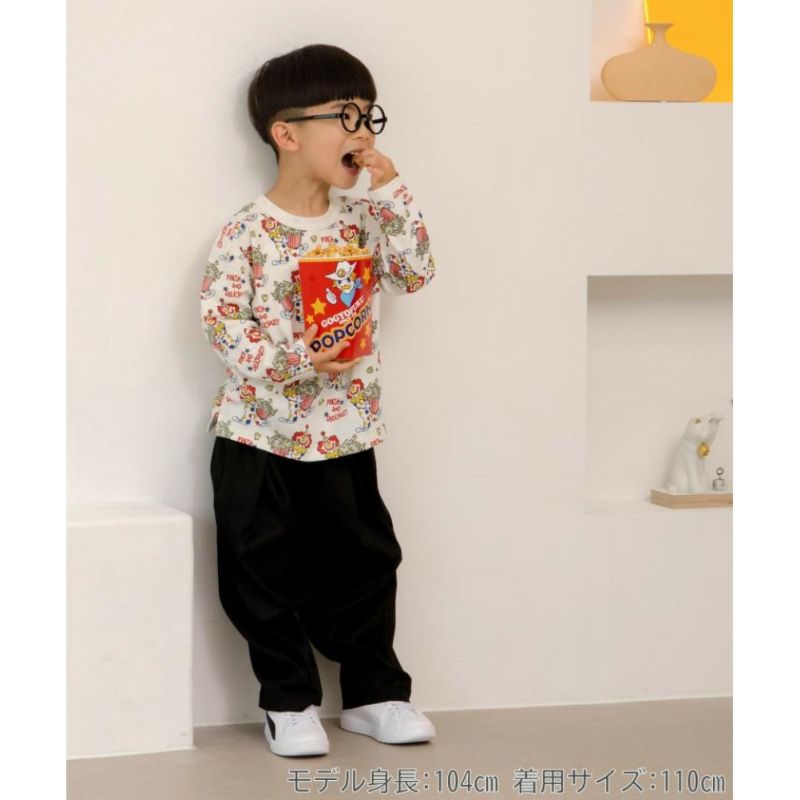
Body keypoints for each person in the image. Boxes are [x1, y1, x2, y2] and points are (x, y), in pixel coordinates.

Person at [200, 43, 437, 758]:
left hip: (345, 430)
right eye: (345, 116)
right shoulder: (246, 230)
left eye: (370, 116)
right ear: (287, 133)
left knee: (366, 562)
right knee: (259, 568)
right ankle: (288, 700)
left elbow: (415, 274)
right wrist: (299, 359)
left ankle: (375, 694)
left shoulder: (363, 219)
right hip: (257, 434)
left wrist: (391, 192)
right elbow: (224, 325)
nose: (362, 132)